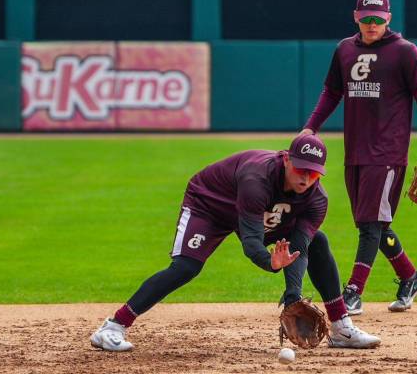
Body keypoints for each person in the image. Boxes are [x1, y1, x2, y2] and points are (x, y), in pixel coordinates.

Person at [90, 134, 381, 351]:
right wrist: (269, 263)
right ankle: (113, 326)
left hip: (258, 210)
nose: (306, 178)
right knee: (185, 267)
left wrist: (293, 295)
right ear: (287, 159)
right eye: (301, 169)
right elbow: (251, 242)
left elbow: (299, 246)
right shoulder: (257, 179)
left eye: (314, 172)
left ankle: (341, 327)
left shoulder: (317, 199)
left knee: (318, 241)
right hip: (210, 204)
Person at [300, 0, 417, 315]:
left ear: (388, 18)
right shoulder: (345, 50)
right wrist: (311, 127)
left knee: (369, 225)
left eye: (378, 19)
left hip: (388, 153)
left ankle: (352, 292)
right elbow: (332, 92)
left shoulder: (405, 52)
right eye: (366, 19)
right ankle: (410, 277)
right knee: (376, 223)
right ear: (356, 18)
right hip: (356, 152)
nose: (372, 24)